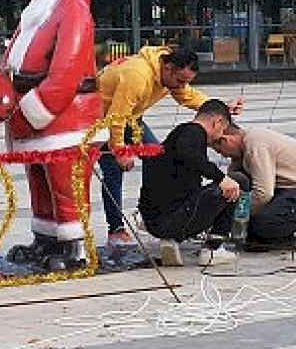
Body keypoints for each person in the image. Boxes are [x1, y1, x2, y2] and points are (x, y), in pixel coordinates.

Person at [3, 0, 105, 271]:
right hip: (33, 116)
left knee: (65, 181)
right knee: (40, 180)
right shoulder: (38, 9)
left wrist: (40, 105)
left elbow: (68, 67)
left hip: (65, 117)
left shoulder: (73, 9)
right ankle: (45, 239)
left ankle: (74, 246)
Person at [95, 46, 244, 247]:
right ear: (168, 68)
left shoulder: (168, 75)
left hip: (130, 117)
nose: (182, 86)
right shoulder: (137, 75)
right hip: (98, 117)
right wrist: (119, 150)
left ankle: (155, 210)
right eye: (180, 81)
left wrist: (222, 108)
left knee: (157, 156)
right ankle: (116, 229)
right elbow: (116, 117)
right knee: (114, 170)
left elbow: (188, 95)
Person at [139, 99, 245, 267]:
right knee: (236, 183)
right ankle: (213, 249)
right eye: (222, 130)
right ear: (217, 122)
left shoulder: (180, 133)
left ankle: (171, 238)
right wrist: (222, 178)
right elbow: (191, 155)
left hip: (155, 220)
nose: (220, 137)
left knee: (196, 193)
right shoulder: (194, 134)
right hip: (173, 218)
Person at [211, 124, 296, 246]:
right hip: (291, 188)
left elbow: (263, 194)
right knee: (253, 232)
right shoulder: (247, 143)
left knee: (260, 224)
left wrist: (238, 216)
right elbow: (235, 179)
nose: (223, 156)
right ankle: (281, 237)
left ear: (226, 140)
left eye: (220, 151)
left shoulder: (256, 145)